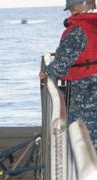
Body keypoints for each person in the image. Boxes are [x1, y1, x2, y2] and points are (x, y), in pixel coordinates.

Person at [44, 0, 97, 131]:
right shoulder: (93, 26)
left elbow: (59, 67)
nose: (71, 12)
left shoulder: (77, 31)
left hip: (86, 98)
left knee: (82, 136)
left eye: (72, 9)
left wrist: (45, 71)